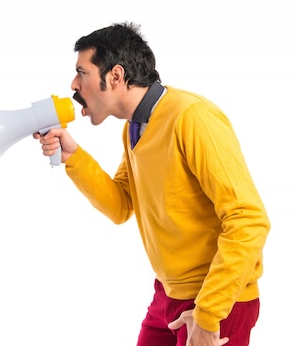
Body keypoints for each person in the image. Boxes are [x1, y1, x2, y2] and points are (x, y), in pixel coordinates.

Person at [34, 22, 269, 345]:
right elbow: (121, 206)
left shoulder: (191, 117)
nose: (74, 84)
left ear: (115, 76)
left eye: (82, 72)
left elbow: (249, 220)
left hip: (217, 299)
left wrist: (208, 313)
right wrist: (73, 156)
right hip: (168, 295)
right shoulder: (135, 127)